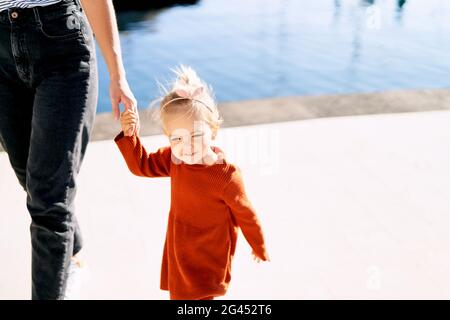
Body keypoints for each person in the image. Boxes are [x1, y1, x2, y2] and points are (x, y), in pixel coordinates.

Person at [0, 0, 137, 299]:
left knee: (48, 199)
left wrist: (117, 73)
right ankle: (71, 256)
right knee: (32, 180)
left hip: (62, 47)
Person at [115, 65, 269, 300]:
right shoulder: (174, 159)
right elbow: (142, 165)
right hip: (180, 244)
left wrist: (258, 245)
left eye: (196, 135)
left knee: (202, 294)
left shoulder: (225, 176)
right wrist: (130, 136)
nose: (186, 145)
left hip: (210, 248)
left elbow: (245, 213)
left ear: (213, 131)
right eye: (177, 137)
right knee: (182, 295)